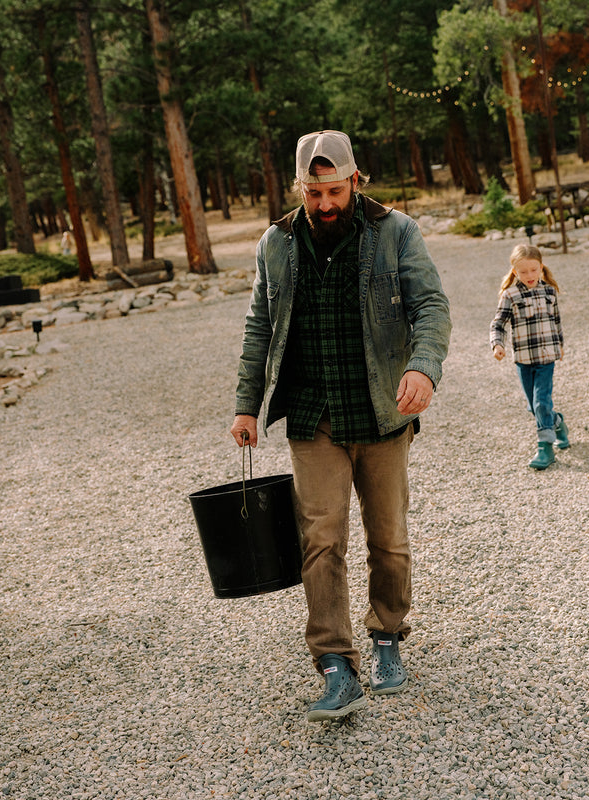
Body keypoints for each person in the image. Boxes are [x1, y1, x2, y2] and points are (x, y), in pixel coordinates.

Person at [230, 130, 451, 723]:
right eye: (312, 192)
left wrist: (423, 368)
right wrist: (246, 405)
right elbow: (259, 327)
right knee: (320, 538)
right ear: (298, 188)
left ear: (356, 180)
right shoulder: (276, 243)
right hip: (311, 416)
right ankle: (334, 663)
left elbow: (430, 304)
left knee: (389, 539)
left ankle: (386, 636)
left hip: (382, 411)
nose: (324, 204)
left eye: (333, 190)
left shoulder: (396, 231)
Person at [489, 243, 569, 470]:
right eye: (523, 272)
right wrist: (497, 345)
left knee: (541, 402)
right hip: (523, 359)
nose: (529, 275)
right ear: (515, 272)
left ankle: (545, 449)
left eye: (534, 270)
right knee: (534, 407)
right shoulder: (510, 295)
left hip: (546, 358)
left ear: (541, 268)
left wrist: (560, 345)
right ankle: (558, 423)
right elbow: (498, 323)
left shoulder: (549, 291)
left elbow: (556, 321)